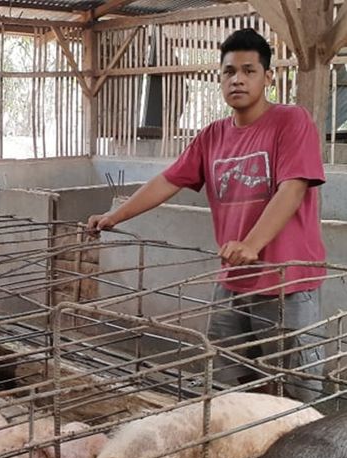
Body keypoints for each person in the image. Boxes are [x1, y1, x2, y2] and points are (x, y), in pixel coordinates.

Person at [86, 28, 326, 402]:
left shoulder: (291, 122)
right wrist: (115, 216)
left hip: (286, 284)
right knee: (225, 380)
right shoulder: (213, 136)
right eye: (229, 71)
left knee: (298, 386)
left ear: (268, 77)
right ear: (220, 78)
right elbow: (167, 180)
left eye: (249, 70)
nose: (238, 79)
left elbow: (292, 188)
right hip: (232, 281)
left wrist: (251, 243)